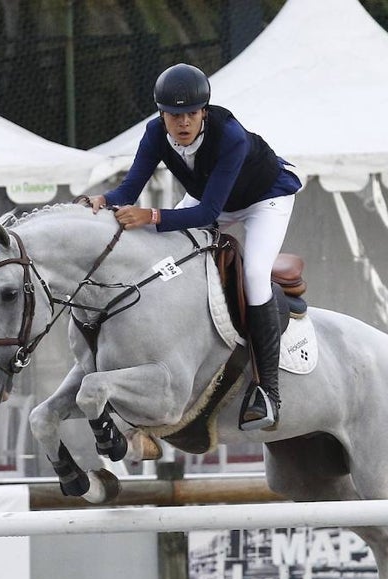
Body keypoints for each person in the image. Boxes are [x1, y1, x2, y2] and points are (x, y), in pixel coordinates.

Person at [86, 63, 302, 432]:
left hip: (265, 199)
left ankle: (268, 392)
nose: (182, 123)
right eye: (173, 115)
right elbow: (128, 192)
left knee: (253, 275)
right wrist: (101, 200)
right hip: (212, 199)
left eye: (190, 114)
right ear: (161, 115)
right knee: (161, 252)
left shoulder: (230, 136)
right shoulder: (155, 133)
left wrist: (152, 215)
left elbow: (208, 212)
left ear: (204, 112)